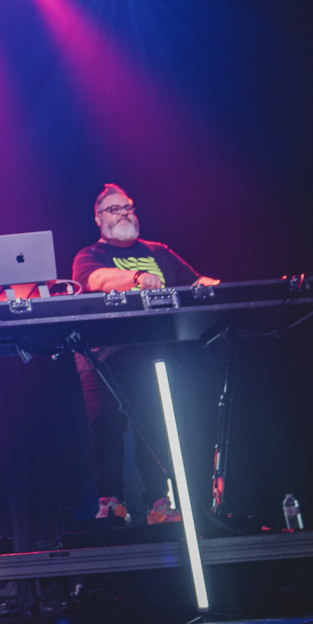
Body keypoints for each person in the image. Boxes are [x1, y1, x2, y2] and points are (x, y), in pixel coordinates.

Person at [73, 184, 218, 524]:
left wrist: (218, 287)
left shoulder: (159, 251)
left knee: (155, 428)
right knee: (106, 430)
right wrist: (137, 277)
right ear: (98, 218)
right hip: (104, 357)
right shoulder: (89, 254)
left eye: (128, 207)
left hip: (153, 351)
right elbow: (96, 280)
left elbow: (195, 282)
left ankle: (158, 504)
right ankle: (111, 504)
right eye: (114, 208)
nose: (124, 212)